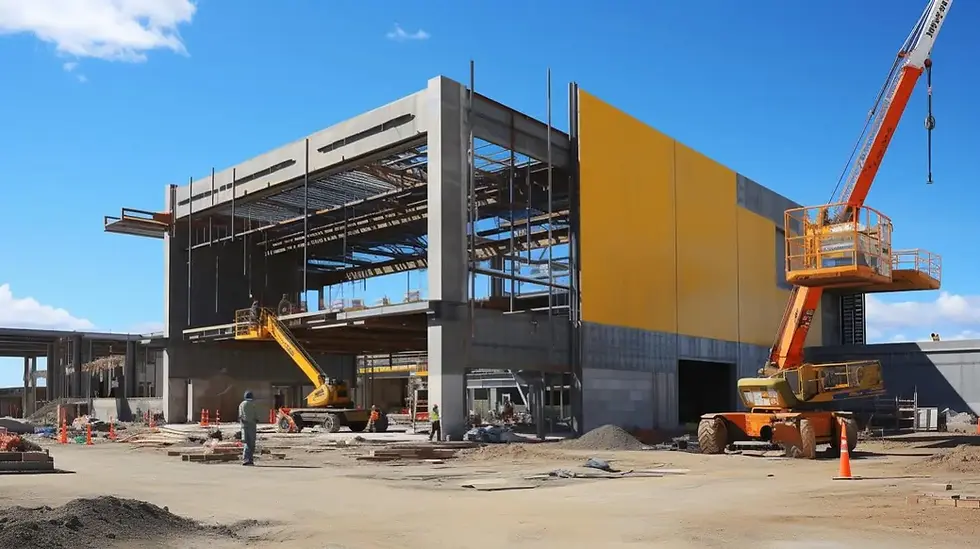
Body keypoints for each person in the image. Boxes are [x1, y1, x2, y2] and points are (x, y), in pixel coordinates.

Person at [238, 390, 259, 466]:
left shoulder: (241, 404)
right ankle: (249, 460)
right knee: (251, 443)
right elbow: (256, 416)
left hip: (244, 426)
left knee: (246, 443)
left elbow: (240, 416)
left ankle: (246, 459)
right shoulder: (253, 404)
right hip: (252, 426)